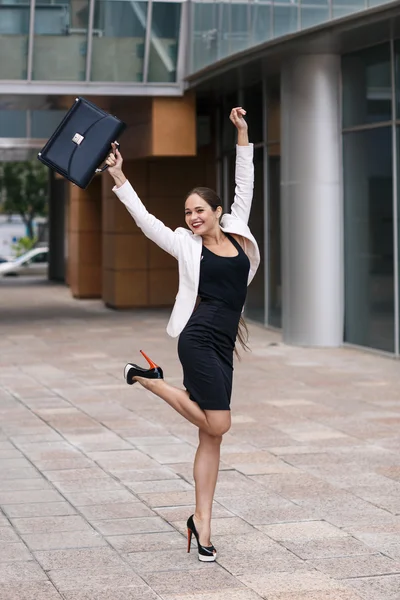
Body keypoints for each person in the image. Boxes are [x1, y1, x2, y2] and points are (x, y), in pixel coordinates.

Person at [105, 107, 260, 562]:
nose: (192, 217)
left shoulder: (236, 233)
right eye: (187, 212)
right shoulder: (184, 244)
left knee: (211, 437)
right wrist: (119, 178)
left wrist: (243, 134)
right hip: (196, 336)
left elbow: (244, 185)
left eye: (199, 210)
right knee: (219, 422)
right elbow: (146, 221)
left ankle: (202, 526)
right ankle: (148, 378)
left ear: (216, 211)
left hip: (224, 342)